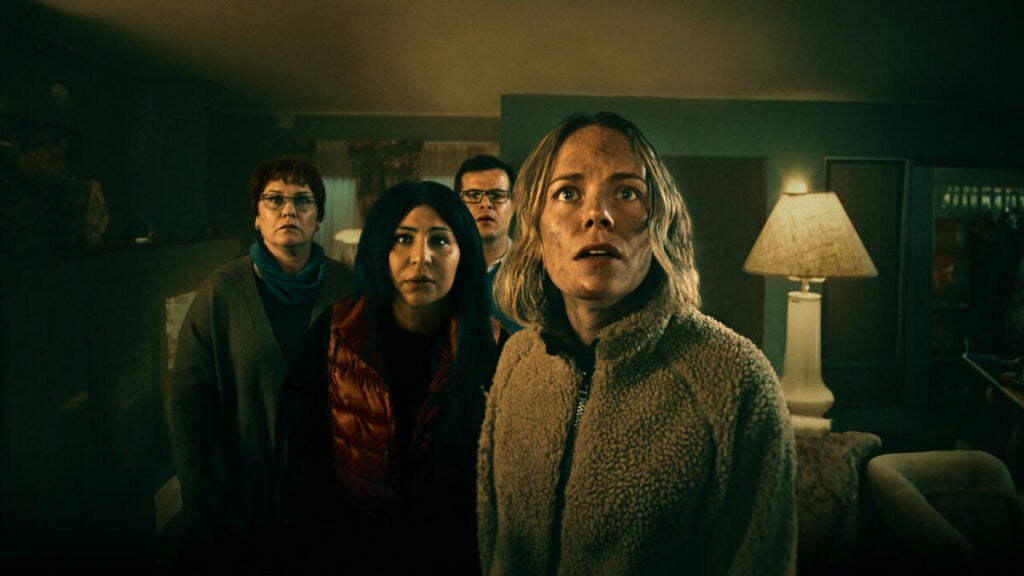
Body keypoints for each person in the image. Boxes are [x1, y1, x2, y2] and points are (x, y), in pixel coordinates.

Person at [477, 112, 797, 575]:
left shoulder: (735, 379)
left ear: (659, 222)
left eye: (626, 193)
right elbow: (495, 542)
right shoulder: (517, 359)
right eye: (567, 193)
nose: (598, 215)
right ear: (535, 227)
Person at [165, 156, 354, 570]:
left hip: (330, 506)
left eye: (302, 200)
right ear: (256, 215)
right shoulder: (221, 292)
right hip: (242, 506)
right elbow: (188, 405)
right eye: (274, 199)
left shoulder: (350, 288)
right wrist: (204, 499)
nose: (289, 211)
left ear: (319, 217)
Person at [322, 180, 504, 575]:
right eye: (402, 239)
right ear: (378, 249)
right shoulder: (337, 331)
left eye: (439, 241)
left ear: (463, 254)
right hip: (354, 551)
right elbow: (303, 463)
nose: (420, 257)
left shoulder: (495, 346)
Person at [455, 154, 522, 333]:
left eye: (497, 195)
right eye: (473, 195)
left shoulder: (536, 270)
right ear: (458, 207)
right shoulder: (443, 269)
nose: (486, 204)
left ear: (514, 205)